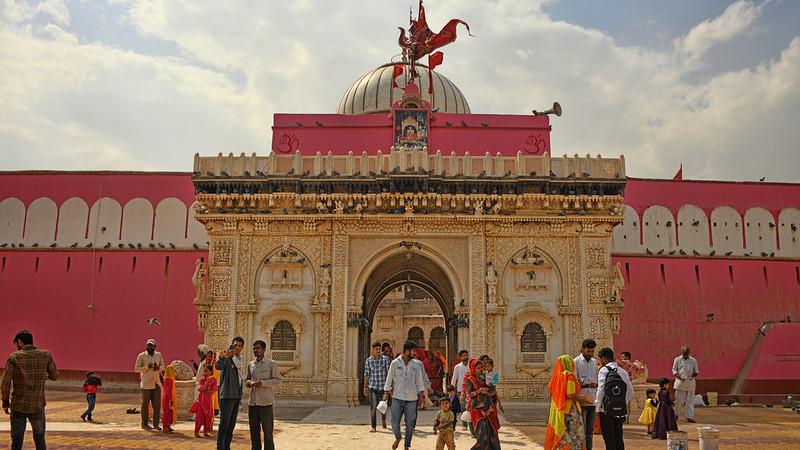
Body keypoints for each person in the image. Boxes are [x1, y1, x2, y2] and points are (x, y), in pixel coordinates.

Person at [1, 329, 59, 450]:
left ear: (20, 342)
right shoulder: (45, 354)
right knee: (39, 437)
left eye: (16, 344)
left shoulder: (14, 357)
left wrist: (5, 403)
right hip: (37, 404)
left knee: (17, 439)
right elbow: (55, 375)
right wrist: (42, 377)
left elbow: (5, 383)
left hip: (18, 406)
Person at [383, 340, 430, 450]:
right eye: (414, 351)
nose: (415, 354)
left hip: (412, 398)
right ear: (407, 351)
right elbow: (389, 379)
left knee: (410, 423)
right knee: (394, 421)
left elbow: (419, 381)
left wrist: (422, 397)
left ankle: (406, 445)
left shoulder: (416, 364)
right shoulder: (395, 363)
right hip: (397, 397)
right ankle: (398, 437)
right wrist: (385, 394)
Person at [544, 354, 588, 450]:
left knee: (562, 436)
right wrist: (582, 399)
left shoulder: (556, 378)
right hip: (570, 411)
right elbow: (571, 394)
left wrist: (549, 415)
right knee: (571, 436)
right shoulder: (569, 376)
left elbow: (553, 398)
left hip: (558, 410)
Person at [245, 339, 283, 450]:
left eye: (258, 348)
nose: (255, 350)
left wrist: (263, 383)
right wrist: (249, 383)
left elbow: (278, 379)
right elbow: (247, 379)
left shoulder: (271, 364)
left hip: (266, 403)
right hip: (253, 403)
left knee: (267, 432)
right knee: (254, 431)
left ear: (264, 349)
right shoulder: (251, 365)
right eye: (254, 349)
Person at [594, 347, 634, 450]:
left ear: (604, 359)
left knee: (609, 439)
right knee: (618, 438)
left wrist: (597, 408)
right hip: (620, 411)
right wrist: (620, 402)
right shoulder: (622, 371)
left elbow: (601, 390)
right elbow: (630, 392)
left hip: (606, 410)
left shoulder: (603, 370)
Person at [464, 358, 501, 450]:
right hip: (477, 408)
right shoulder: (470, 379)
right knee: (482, 431)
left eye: (482, 367)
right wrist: (479, 391)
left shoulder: (484, 378)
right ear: (473, 369)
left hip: (487, 406)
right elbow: (470, 393)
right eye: (478, 368)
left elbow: (491, 388)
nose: (481, 370)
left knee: (491, 430)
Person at [216, 336, 245, 450]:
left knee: (231, 427)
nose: (237, 348)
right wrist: (225, 356)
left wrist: (240, 396)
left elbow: (240, 380)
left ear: (242, 348)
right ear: (231, 346)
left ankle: (226, 447)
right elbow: (217, 366)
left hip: (236, 397)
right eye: (235, 345)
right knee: (224, 426)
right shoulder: (227, 359)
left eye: (239, 346)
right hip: (226, 397)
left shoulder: (240, 361)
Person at [134, 338, 165, 430]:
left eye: (151, 345)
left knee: (157, 405)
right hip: (146, 384)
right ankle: (144, 424)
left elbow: (163, 367)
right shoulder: (142, 356)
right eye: (148, 345)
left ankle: (156, 424)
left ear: (155, 346)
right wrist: (147, 367)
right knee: (145, 405)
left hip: (156, 383)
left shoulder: (158, 355)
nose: (149, 347)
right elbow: (136, 369)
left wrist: (158, 368)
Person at [574, 339, 598, 450]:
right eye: (588, 351)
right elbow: (574, 384)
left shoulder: (594, 362)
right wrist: (587, 385)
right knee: (581, 430)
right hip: (581, 401)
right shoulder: (576, 362)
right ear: (582, 349)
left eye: (592, 351)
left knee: (590, 431)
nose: (590, 354)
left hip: (592, 400)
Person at [364, 341, 391, 432]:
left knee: (383, 405)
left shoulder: (385, 359)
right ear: (373, 350)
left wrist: (389, 387)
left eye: (379, 349)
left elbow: (388, 374)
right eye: (376, 349)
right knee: (373, 406)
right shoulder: (369, 360)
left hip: (383, 387)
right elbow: (367, 374)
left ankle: (383, 419)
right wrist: (365, 387)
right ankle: (374, 426)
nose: (378, 351)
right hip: (373, 386)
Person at [672, 345, 699, 423]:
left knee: (690, 400)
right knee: (679, 400)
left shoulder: (693, 361)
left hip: (690, 383)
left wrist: (692, 376)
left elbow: (696, 371)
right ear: (682, 352)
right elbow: (674, 370)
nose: (685, 355)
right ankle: (676, 414)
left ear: (689, 353)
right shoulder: (677, 360)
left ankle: (689, 416)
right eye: (684, 353)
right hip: (680, 382)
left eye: (687, 353)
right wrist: (679, 376)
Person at [191, 364, 217, 437]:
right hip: (201, 401)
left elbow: (214, 389)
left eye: (206, 371)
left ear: (211, 372)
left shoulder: (213, 380)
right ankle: (196, 431)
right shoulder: (202, 380)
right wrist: (206, 383)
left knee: (208, 417)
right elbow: (201, 389)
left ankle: (206, 431)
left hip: (209, 402)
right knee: (199, 417)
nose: (204, 373)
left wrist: (206, 391)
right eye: (204, 371)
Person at [451, 350, 470, 429]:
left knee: (470, 406)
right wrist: (451, 389)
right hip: (460, 390)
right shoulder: (457, 367)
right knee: (463, 407)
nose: (465, 357)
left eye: (466, 355)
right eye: (463, 356)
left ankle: (471, 424)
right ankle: (464, 424)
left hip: (470, 389)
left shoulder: (471, 366)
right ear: (460, 357)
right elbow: (454, 378)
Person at [161, 364, 177, 432]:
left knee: (169, 412)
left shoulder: (165, 379)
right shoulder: (169, 380)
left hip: (166, 397)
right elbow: (168, 391)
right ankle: (165, 427)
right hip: (168, 398)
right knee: (168, 412)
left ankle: (168, 425)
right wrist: (171, 399)